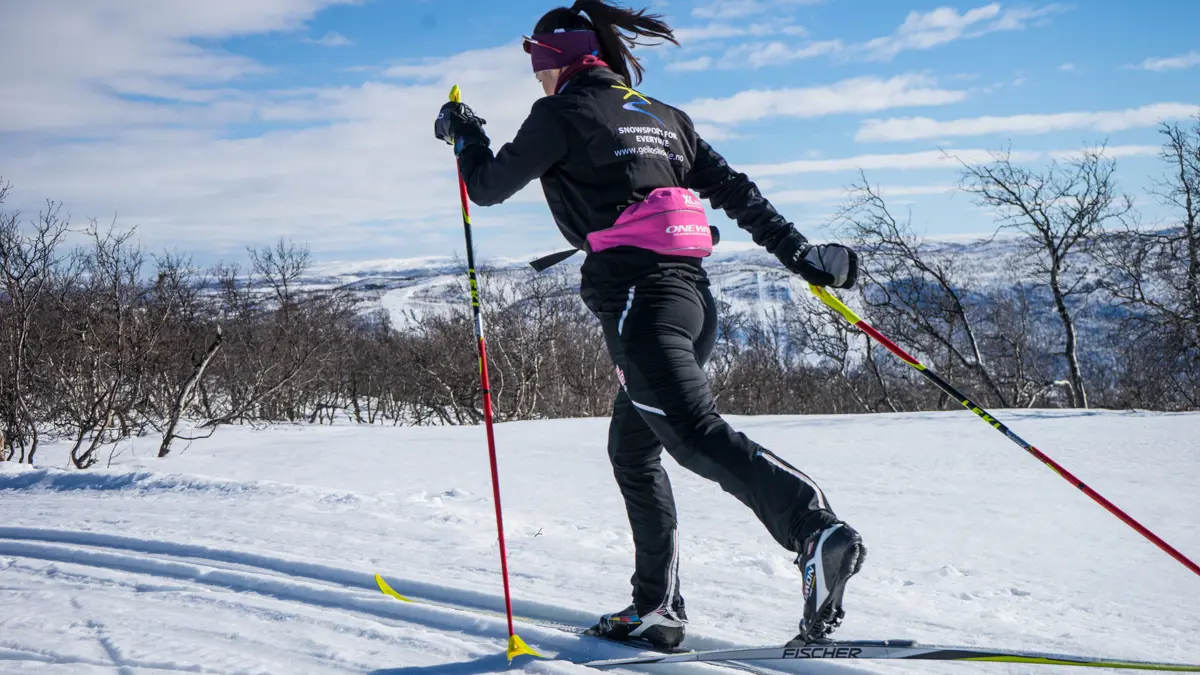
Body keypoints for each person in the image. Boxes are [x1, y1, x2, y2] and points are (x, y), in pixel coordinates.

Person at [434, 0, 865, 650]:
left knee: (694, 434)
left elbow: (488, 186)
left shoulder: (561, 113)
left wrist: (463, 134)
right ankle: (657, 608)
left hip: (640, 301)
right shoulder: (664, 116)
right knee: (634, 449)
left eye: (536, 63)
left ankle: (815, 529)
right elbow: (738, 192)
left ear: (557, 61)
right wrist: (802, 255)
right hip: (692, 301)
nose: (536, 77)